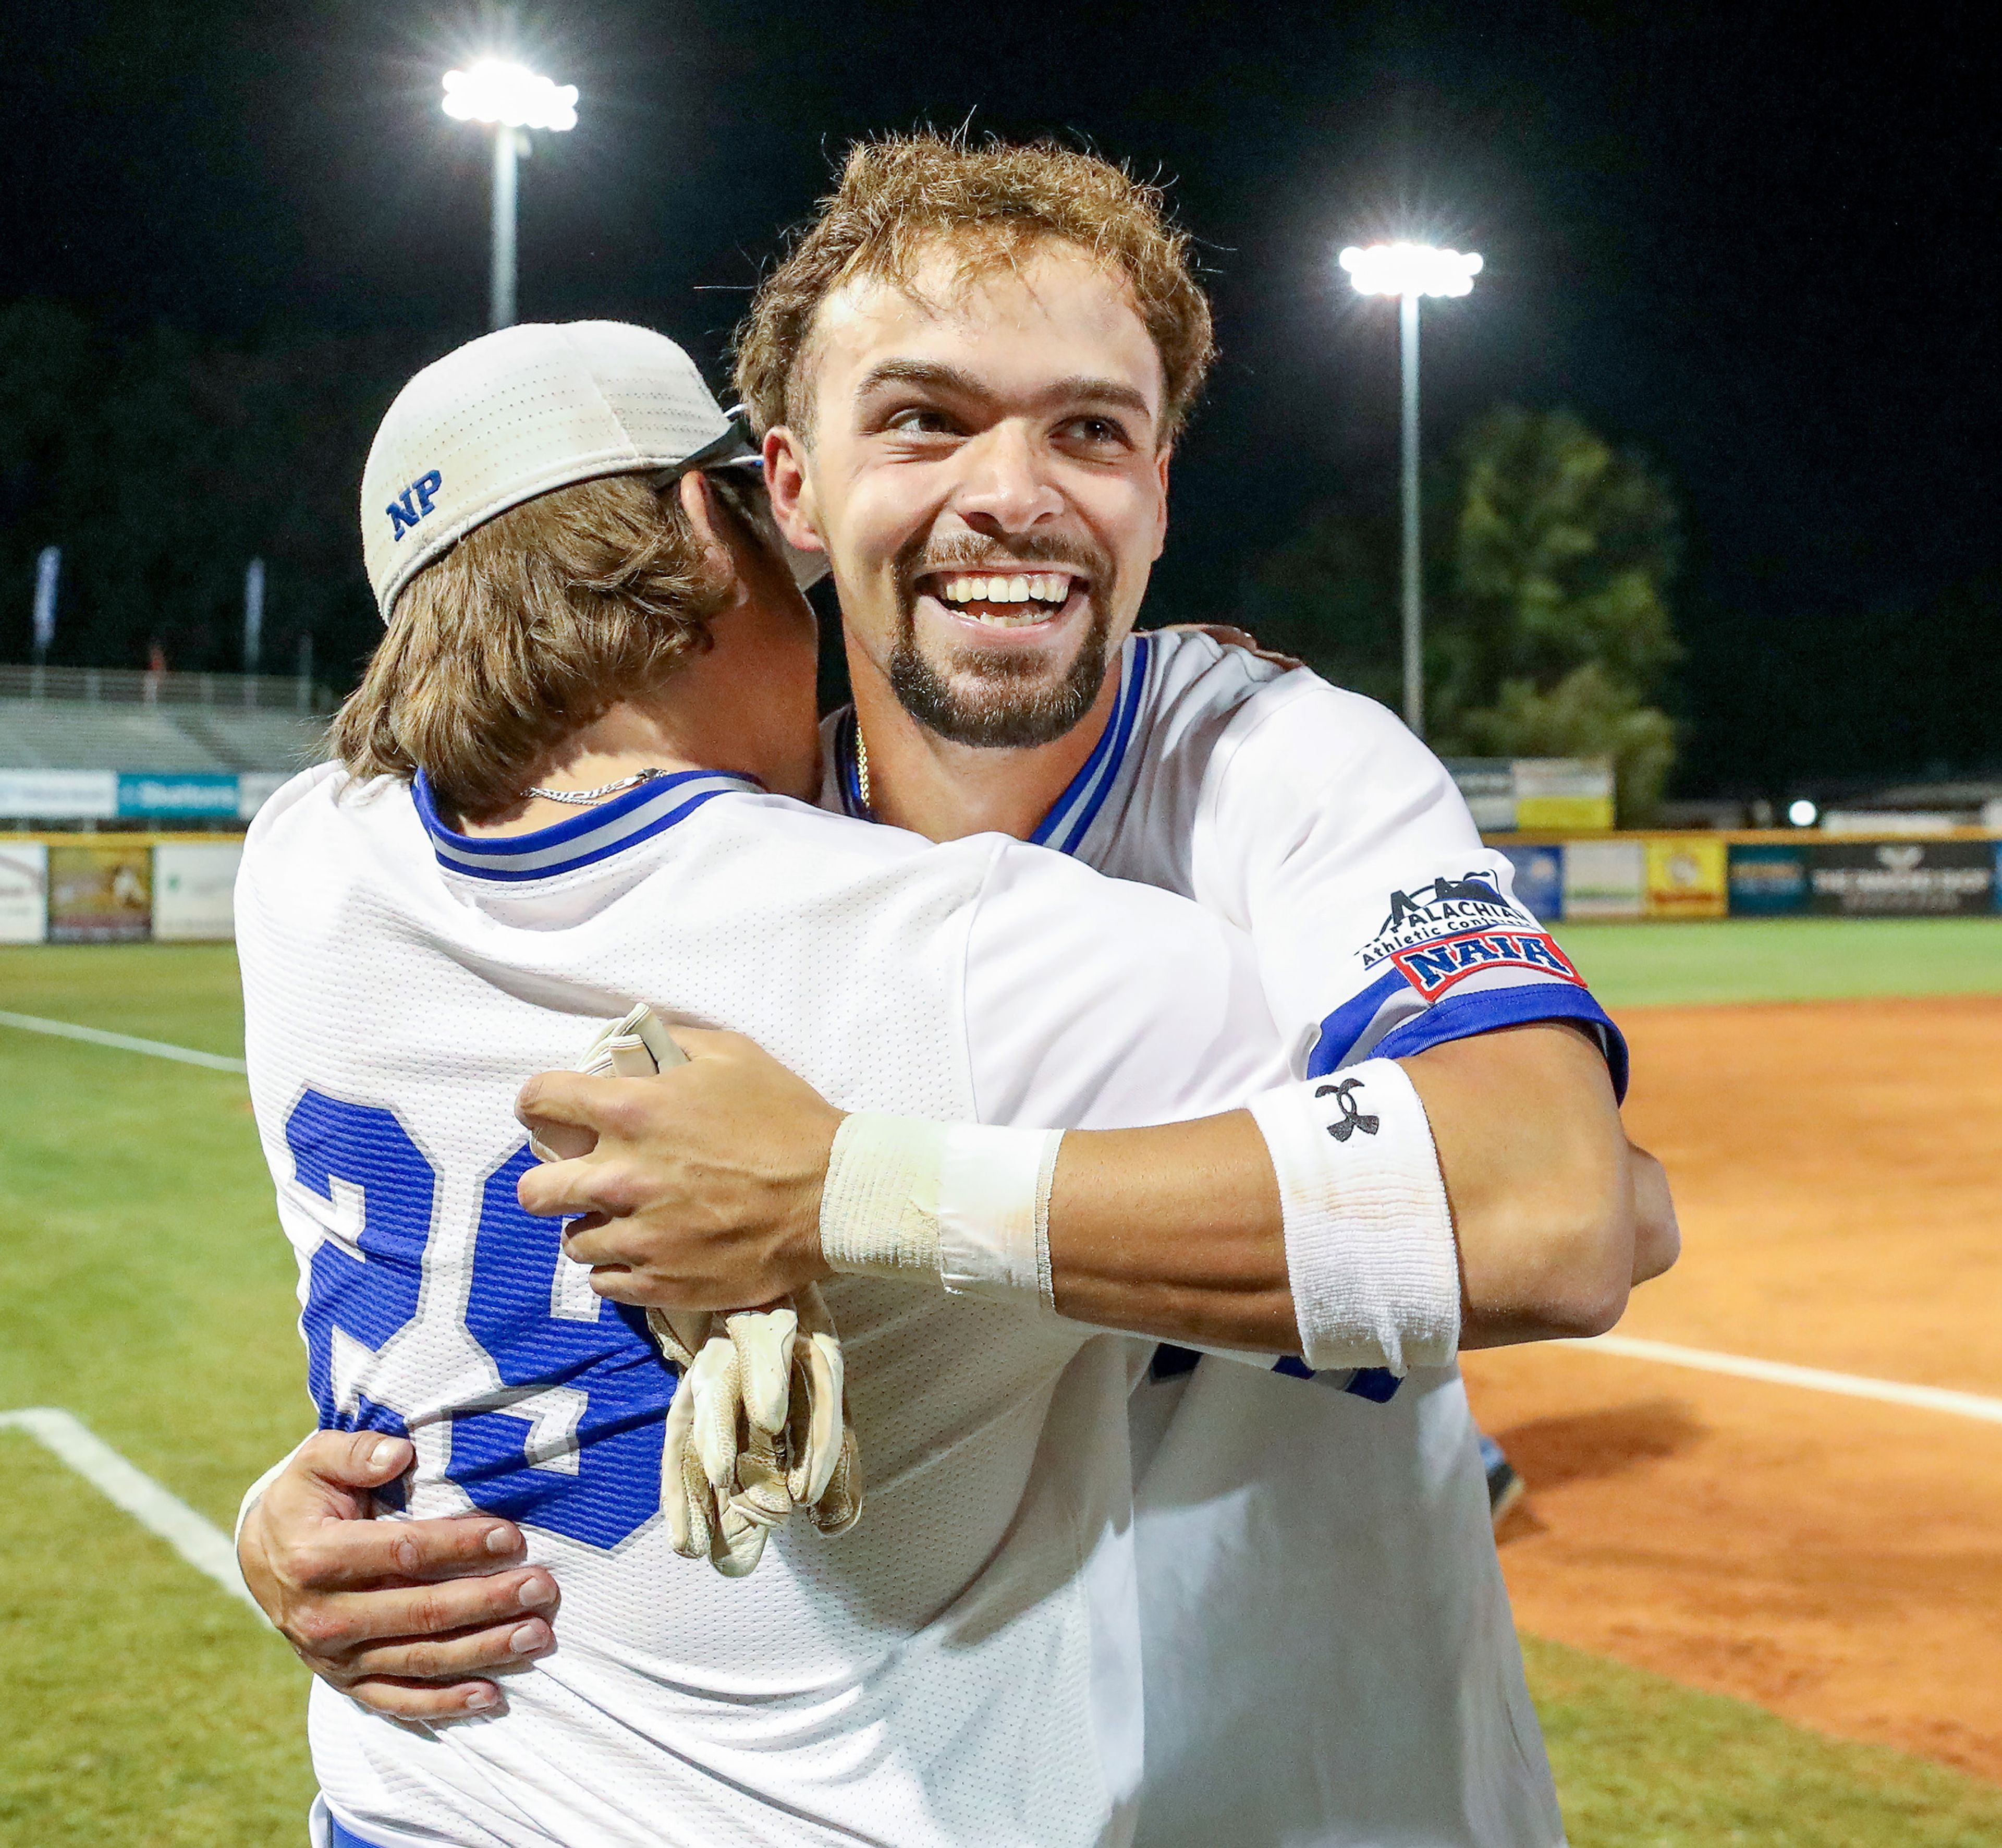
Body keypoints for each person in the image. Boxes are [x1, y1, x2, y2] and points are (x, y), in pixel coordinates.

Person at [236, 318, 1639, 1848]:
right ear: (719, 530)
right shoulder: (969, 946)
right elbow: (1569, 1208)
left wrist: (310, 1499)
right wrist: (863, 1183)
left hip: (398, 1802)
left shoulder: (306, 864)